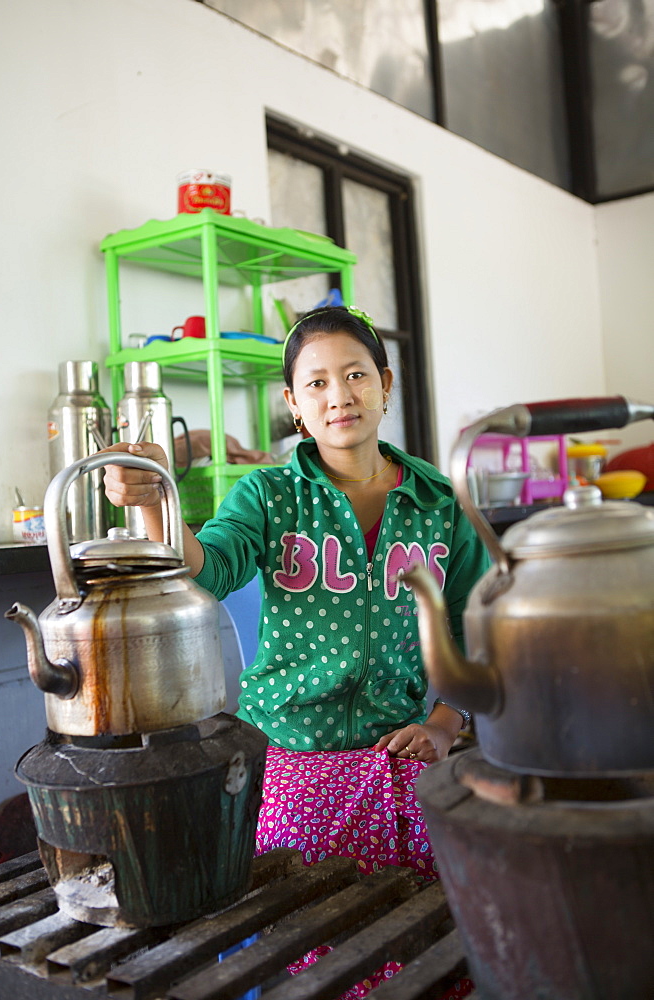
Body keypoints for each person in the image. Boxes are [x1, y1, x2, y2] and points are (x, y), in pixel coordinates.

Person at [102, 305, 490, 998]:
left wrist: (442, 724)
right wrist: (154, 500)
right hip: (289, 761)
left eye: (355, 375)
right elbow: (206, 566)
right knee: (305, 945)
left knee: (435, 932)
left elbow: (468, 630)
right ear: (293, 404)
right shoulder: (270, 495)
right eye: (316, 384)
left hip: (402, 758)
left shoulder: (438, 502)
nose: (339, 395)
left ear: (386, 383)